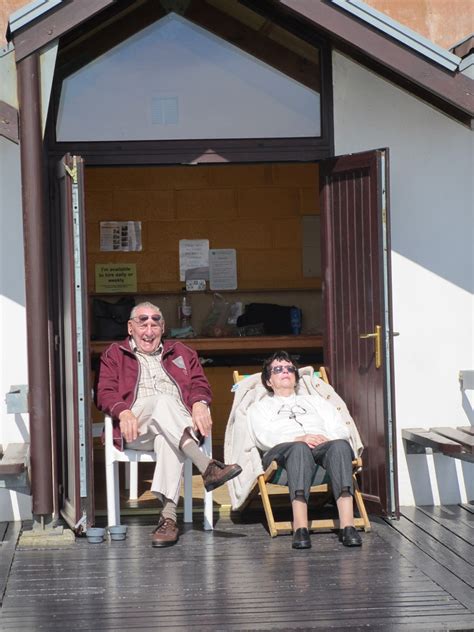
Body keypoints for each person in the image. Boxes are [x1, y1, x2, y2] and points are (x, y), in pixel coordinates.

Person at [96, 301, 242, 548]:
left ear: (163, 328)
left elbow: (200, 385)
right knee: (163, 402)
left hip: (174, 428)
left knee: (168, 438)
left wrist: (199, 403)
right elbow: (104, 392)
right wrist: (123, 412)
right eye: (143, 322)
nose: (149, 329)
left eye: (155, 322)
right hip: (135, 426)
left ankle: (168, 518)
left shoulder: (182, 351)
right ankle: (206, 465)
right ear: (130, 328)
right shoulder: (114, 354)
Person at [247, 351, 362, 550]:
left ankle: (348, 526)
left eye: (290, 368)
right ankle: (301, 528)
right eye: (278, 369)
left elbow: (340, 427)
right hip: (282, 452)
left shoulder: (316, 402)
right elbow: (262, 437)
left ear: (296, 377)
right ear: (268, 381)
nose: (285, 372)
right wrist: (297, 438)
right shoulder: (259, 408)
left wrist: (328, 439)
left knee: (341, 446)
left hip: (321, 448)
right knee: (299, 449)